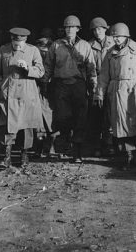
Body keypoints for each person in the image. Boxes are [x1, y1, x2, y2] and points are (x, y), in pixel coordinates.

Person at [94, 22, 136, 168]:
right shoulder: (110, 54)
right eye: (114, 37)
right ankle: (128, 156)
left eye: (119, 36)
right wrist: (99, 94)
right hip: (118, 92)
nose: (116, 39)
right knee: (122, 126)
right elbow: (104, 76)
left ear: (126, 36)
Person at [43, 15, 97, 163]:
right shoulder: (56, 45)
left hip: (79, 85)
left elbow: (91, 67)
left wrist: (93, 87)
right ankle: (66, 143)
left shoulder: (85, 45)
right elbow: (48, 66)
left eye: (72, 27)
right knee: (63, 117)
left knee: (80, 118)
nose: (69, 30)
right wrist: (44, 82)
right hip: (61, 85)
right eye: (67, 27)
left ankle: (77, 151)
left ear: (78, 29)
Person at [0, 27, 45, 168]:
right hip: (8, 92)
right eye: (15, 42)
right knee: (7, 125)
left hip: (27, 92)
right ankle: (7, 157)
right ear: (11, 39)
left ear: (25, 40)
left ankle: (24, 156)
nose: (17, 45)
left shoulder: (33, 50)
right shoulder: (3, 50)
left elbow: (41, 71)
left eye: (20, 43)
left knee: (26, 127)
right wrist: (0, 87)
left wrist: (28, 67)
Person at [87, 17, 114, 156]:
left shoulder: (114, 42)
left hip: (111, 83)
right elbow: (88, 66)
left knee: (110, 115)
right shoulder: (89, 45)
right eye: (94, 30)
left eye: (99, 29)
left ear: (105, 29)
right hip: (96, 83)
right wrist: (93, 82)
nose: (97, 32)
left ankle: (109, 144)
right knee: (96, 115)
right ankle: (97, 145)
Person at [33, 27, 57, 157]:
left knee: (48, 116)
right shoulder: (34, 51)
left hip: (49, 87)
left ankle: (48, 146)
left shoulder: (55, 50)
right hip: (38, 86)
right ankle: (41, 147)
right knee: (40, 116)